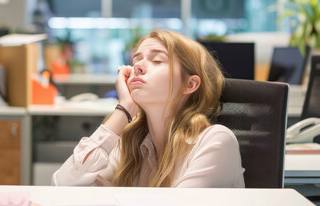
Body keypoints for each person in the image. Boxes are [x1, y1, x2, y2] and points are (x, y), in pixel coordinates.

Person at [52, 29, 245, 187]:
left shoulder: (216, 142)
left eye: (157, 60)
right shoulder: (130, 142)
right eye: (136, 60)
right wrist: (124, 110)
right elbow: (62, 188)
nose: (138, 67)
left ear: (190, 85)